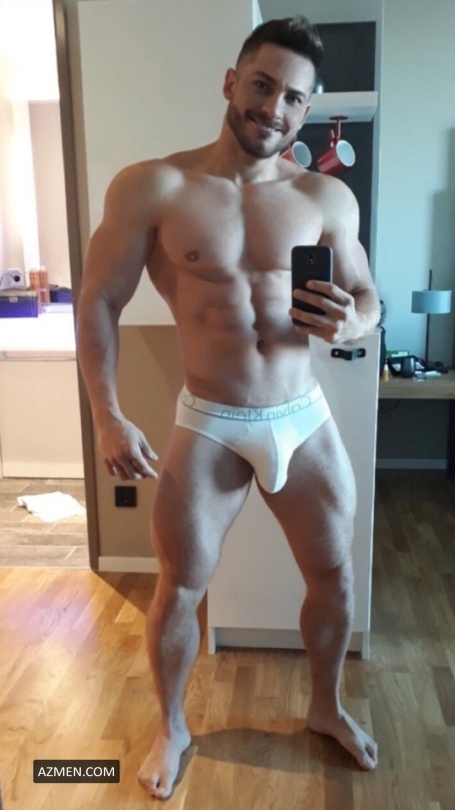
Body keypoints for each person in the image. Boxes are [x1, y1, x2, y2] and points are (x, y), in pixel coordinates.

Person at [76, 15, 380, 800]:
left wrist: (354, 323)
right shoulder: (155, 187)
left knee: (333, 572)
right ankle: (172, 726)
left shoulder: (324, 196)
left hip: (299, 417)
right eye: (262, 85)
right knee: (180, 584)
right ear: (230, 82)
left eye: (293, 97)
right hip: (210, 420)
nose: (274, 108)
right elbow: (98, 301)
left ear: (306, 109)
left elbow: (366, 295)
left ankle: (324, 706)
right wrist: (108, 415)